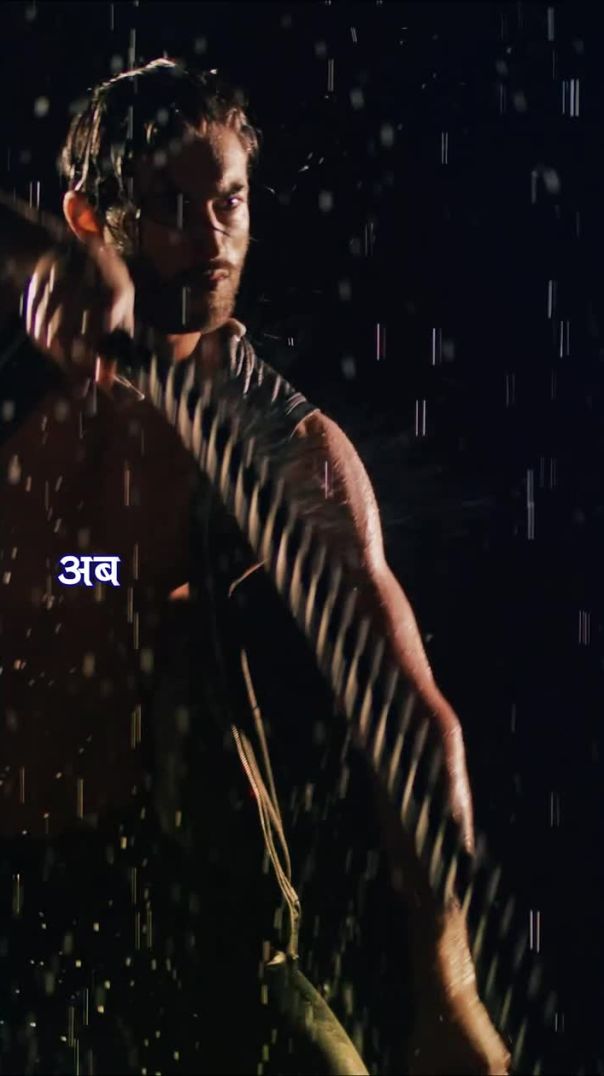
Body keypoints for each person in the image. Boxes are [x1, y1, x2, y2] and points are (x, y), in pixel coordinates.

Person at [0, 57, 509, 1074]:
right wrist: (30, 253)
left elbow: (413, 720)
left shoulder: (281, 444)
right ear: (92, 218)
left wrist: (450, 990)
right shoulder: (27, 355)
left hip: (169, 903)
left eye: (227, 201)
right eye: (168, 207)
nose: (211, 238)